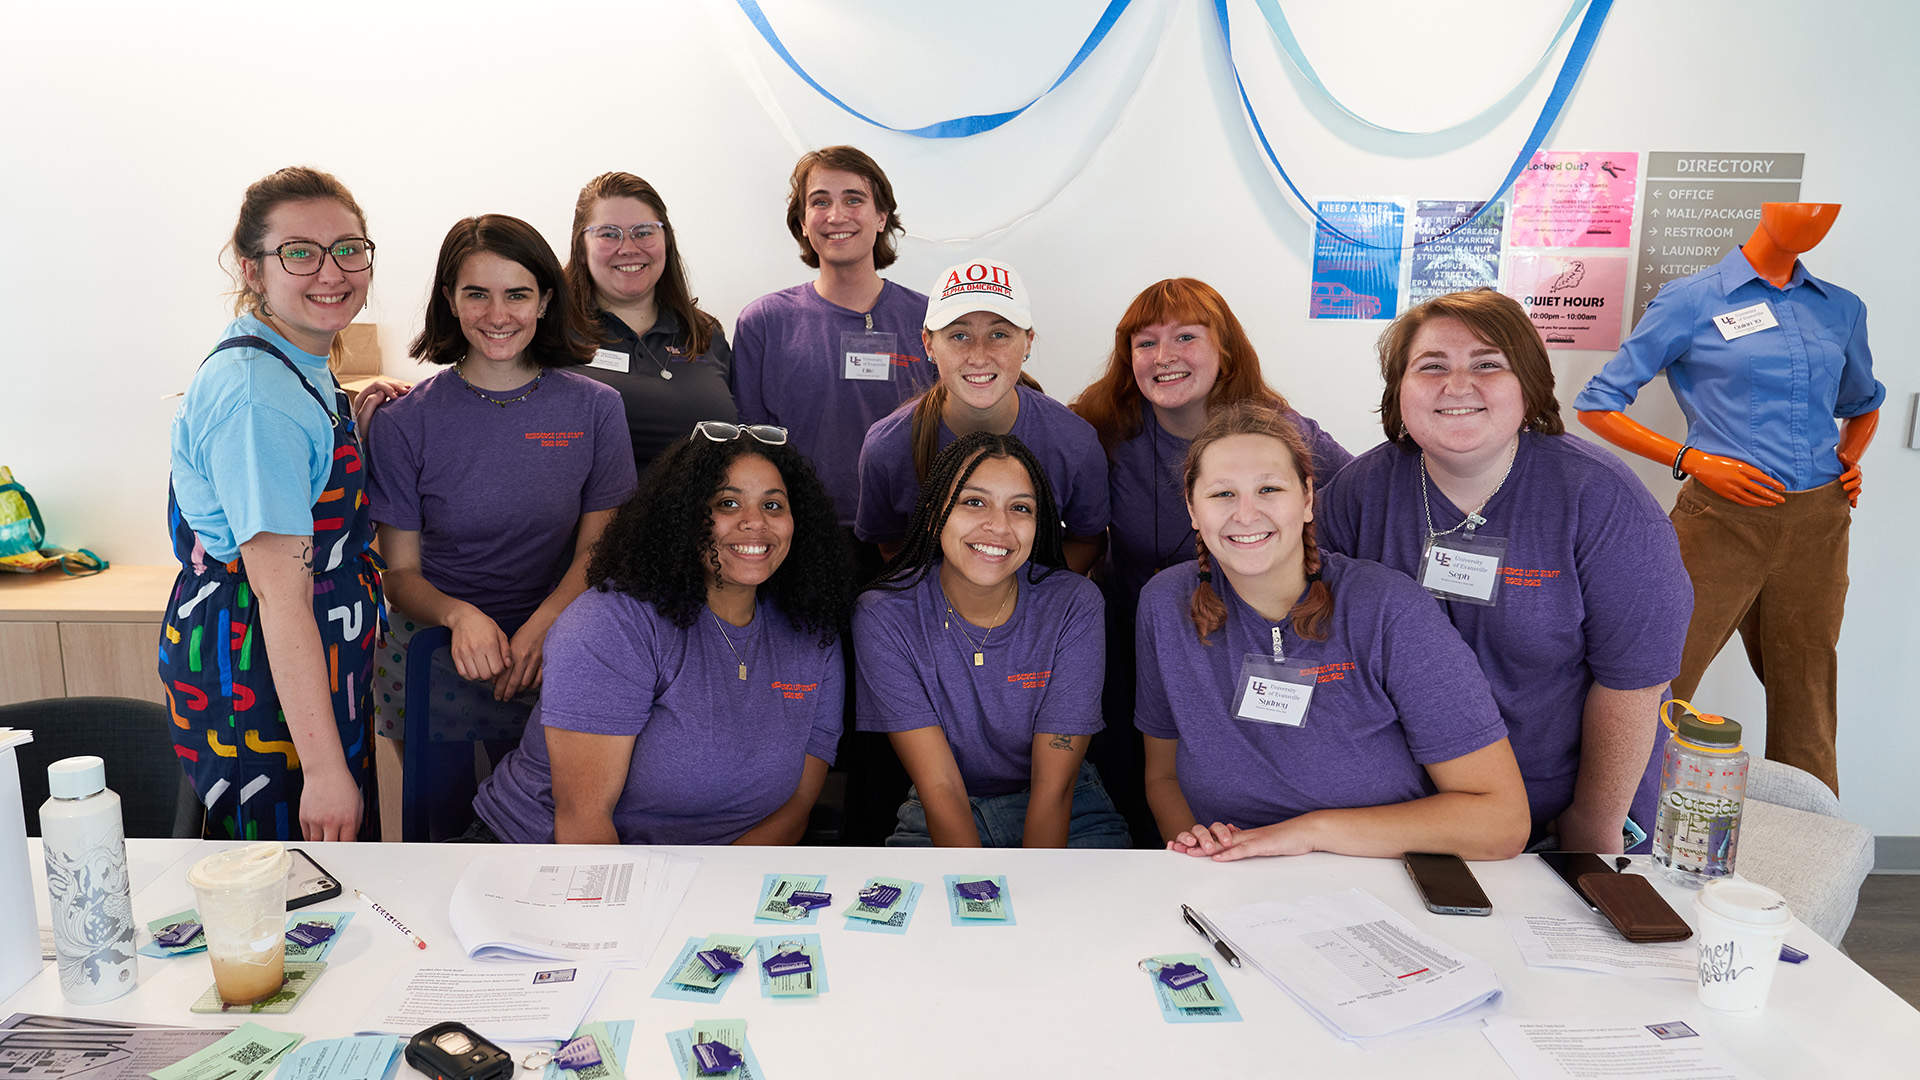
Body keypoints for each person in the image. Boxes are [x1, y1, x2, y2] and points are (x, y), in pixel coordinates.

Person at [1318, 289, 1692, 853]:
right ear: (1399, 391)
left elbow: (1633, 684)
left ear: (1529, 386)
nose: (1458, 385)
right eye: (1431, 367)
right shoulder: (1359, 493)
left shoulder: (1601, 500)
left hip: (1564, 809)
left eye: (1488, 364)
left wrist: (1590, 828)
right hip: (1407, 808)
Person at [1575, 203, 1883, 795]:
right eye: (1804, 204)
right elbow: (1597, 403)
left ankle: (1808, 841)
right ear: (1765, 210)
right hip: (1720, 521)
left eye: (1830, 209)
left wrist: (1849, 458)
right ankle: (1619, 822)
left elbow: (1864, 400)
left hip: (1820, 522)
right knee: (1661, 674)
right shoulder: (1691, 299)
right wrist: (1692, 460)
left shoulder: (1841, 307)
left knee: (1807, 684)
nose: (1816, 216)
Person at [1137, 401, 1529, 861]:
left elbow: (1501, 821)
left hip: (1380, 876)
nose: (1246, 514)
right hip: (1231, 876)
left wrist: (1308, 833)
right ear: (1192, 507)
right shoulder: (1165, 603)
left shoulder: (1389, 609)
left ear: (1306, 500)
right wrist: (1199, 852)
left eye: (1269, 489)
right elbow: (1162, 775)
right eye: (1223, 494)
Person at [366, 214, 636, 839]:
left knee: (549, 828)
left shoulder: (596, 408)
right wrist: (459, 615)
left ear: (545, 300)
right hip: (435, 658)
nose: (498, 314)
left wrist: (545, 626)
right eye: (475, 294)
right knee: (450, 835)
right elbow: (400, 574)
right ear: (449, 302)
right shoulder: (406, 422)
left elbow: (600, 552)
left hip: (564, 649)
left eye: (517, 293)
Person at [471, 423, 850, 845]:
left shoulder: (811, 632)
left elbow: (795, 806)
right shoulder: (612, 624)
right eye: (728, 503)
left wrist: (713, 899)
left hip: (709, 882)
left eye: (773, 506)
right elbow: (583, 822)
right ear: (684, 518)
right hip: (544, 863)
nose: (755, 524)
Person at [1071, 277, 1352, 842]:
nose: (1164, 357)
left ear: (1225, 348)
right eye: (1145, 343)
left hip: (1244, 649)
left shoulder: (1278, 431)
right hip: (1135, 646)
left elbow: (1359, 495)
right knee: (1142, 796)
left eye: (1185, 337)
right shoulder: (1103, 428)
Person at [160, 166, 388, 841]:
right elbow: (280, 596)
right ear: (252, 268)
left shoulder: (297, 361)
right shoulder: (259, 395)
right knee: (288, 899)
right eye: (300, 252)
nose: (332, 271)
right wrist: (321, 771)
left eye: (349, 248)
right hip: (260, 682)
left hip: (312, 668)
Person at [854, 432, 1128, 848]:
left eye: (1020, 508)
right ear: (934, 514)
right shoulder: (884, 615)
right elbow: (939, 785)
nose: (999, 526)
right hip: (943, 806)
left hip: (1071, 808)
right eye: (974, 502)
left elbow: (1053, 788)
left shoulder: (1074, 604)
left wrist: (1031, 902)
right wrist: (981, 897)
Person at [731, 145, 936, 553]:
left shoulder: (932, 322)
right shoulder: (764, 323)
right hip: (799, 539)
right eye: (819, 201)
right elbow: (747, 449)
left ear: (881, 218)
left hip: (910, 537)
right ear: (803, 224)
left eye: (853, 199)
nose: (836, 215)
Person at [855, 259, 1109, 575]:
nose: (978, 356)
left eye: (999, 334)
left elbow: (1088, 541)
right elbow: (892, 546)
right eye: (959, 335)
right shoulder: (886, 448)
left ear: (1027, 342)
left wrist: (1022, 606)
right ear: (929, 344)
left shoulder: (1074, 443)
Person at [565, 172, 737, 476]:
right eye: (608, 233)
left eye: (644, 232)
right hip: (598, 523)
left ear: (666, 241)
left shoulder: (706, 334)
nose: (628, 247)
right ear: (581, 248)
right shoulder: (551, 335)